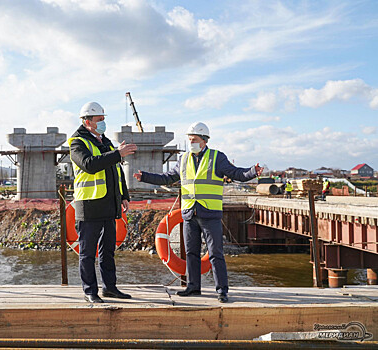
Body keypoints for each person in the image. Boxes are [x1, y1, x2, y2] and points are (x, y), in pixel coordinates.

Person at [133, 122, 263, 303]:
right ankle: (193, 287)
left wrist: (252, 172)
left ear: (204, 140)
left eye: (193, 140)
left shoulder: (217, 157)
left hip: (209, 214)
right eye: (189, 139)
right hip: (189, 214)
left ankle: (222, 291)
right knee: (192, 253)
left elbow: (235, 173)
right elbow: (168, 178)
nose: (190, 143)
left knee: (215, 252)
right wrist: (145, 176)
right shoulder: (184, 159)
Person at [69, 101, 137, 303]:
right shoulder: (77, 143)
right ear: (87, 121)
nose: (103, 123)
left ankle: (110, 288)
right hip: (89, 205)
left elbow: (117, 172)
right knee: (88, 252)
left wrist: (124, 196)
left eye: (103, 119)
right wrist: (117, 154)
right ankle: (90, 291)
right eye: (99, 120)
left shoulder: (105, 141)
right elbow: (89, 165)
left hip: (109, 204)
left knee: (108, 250)